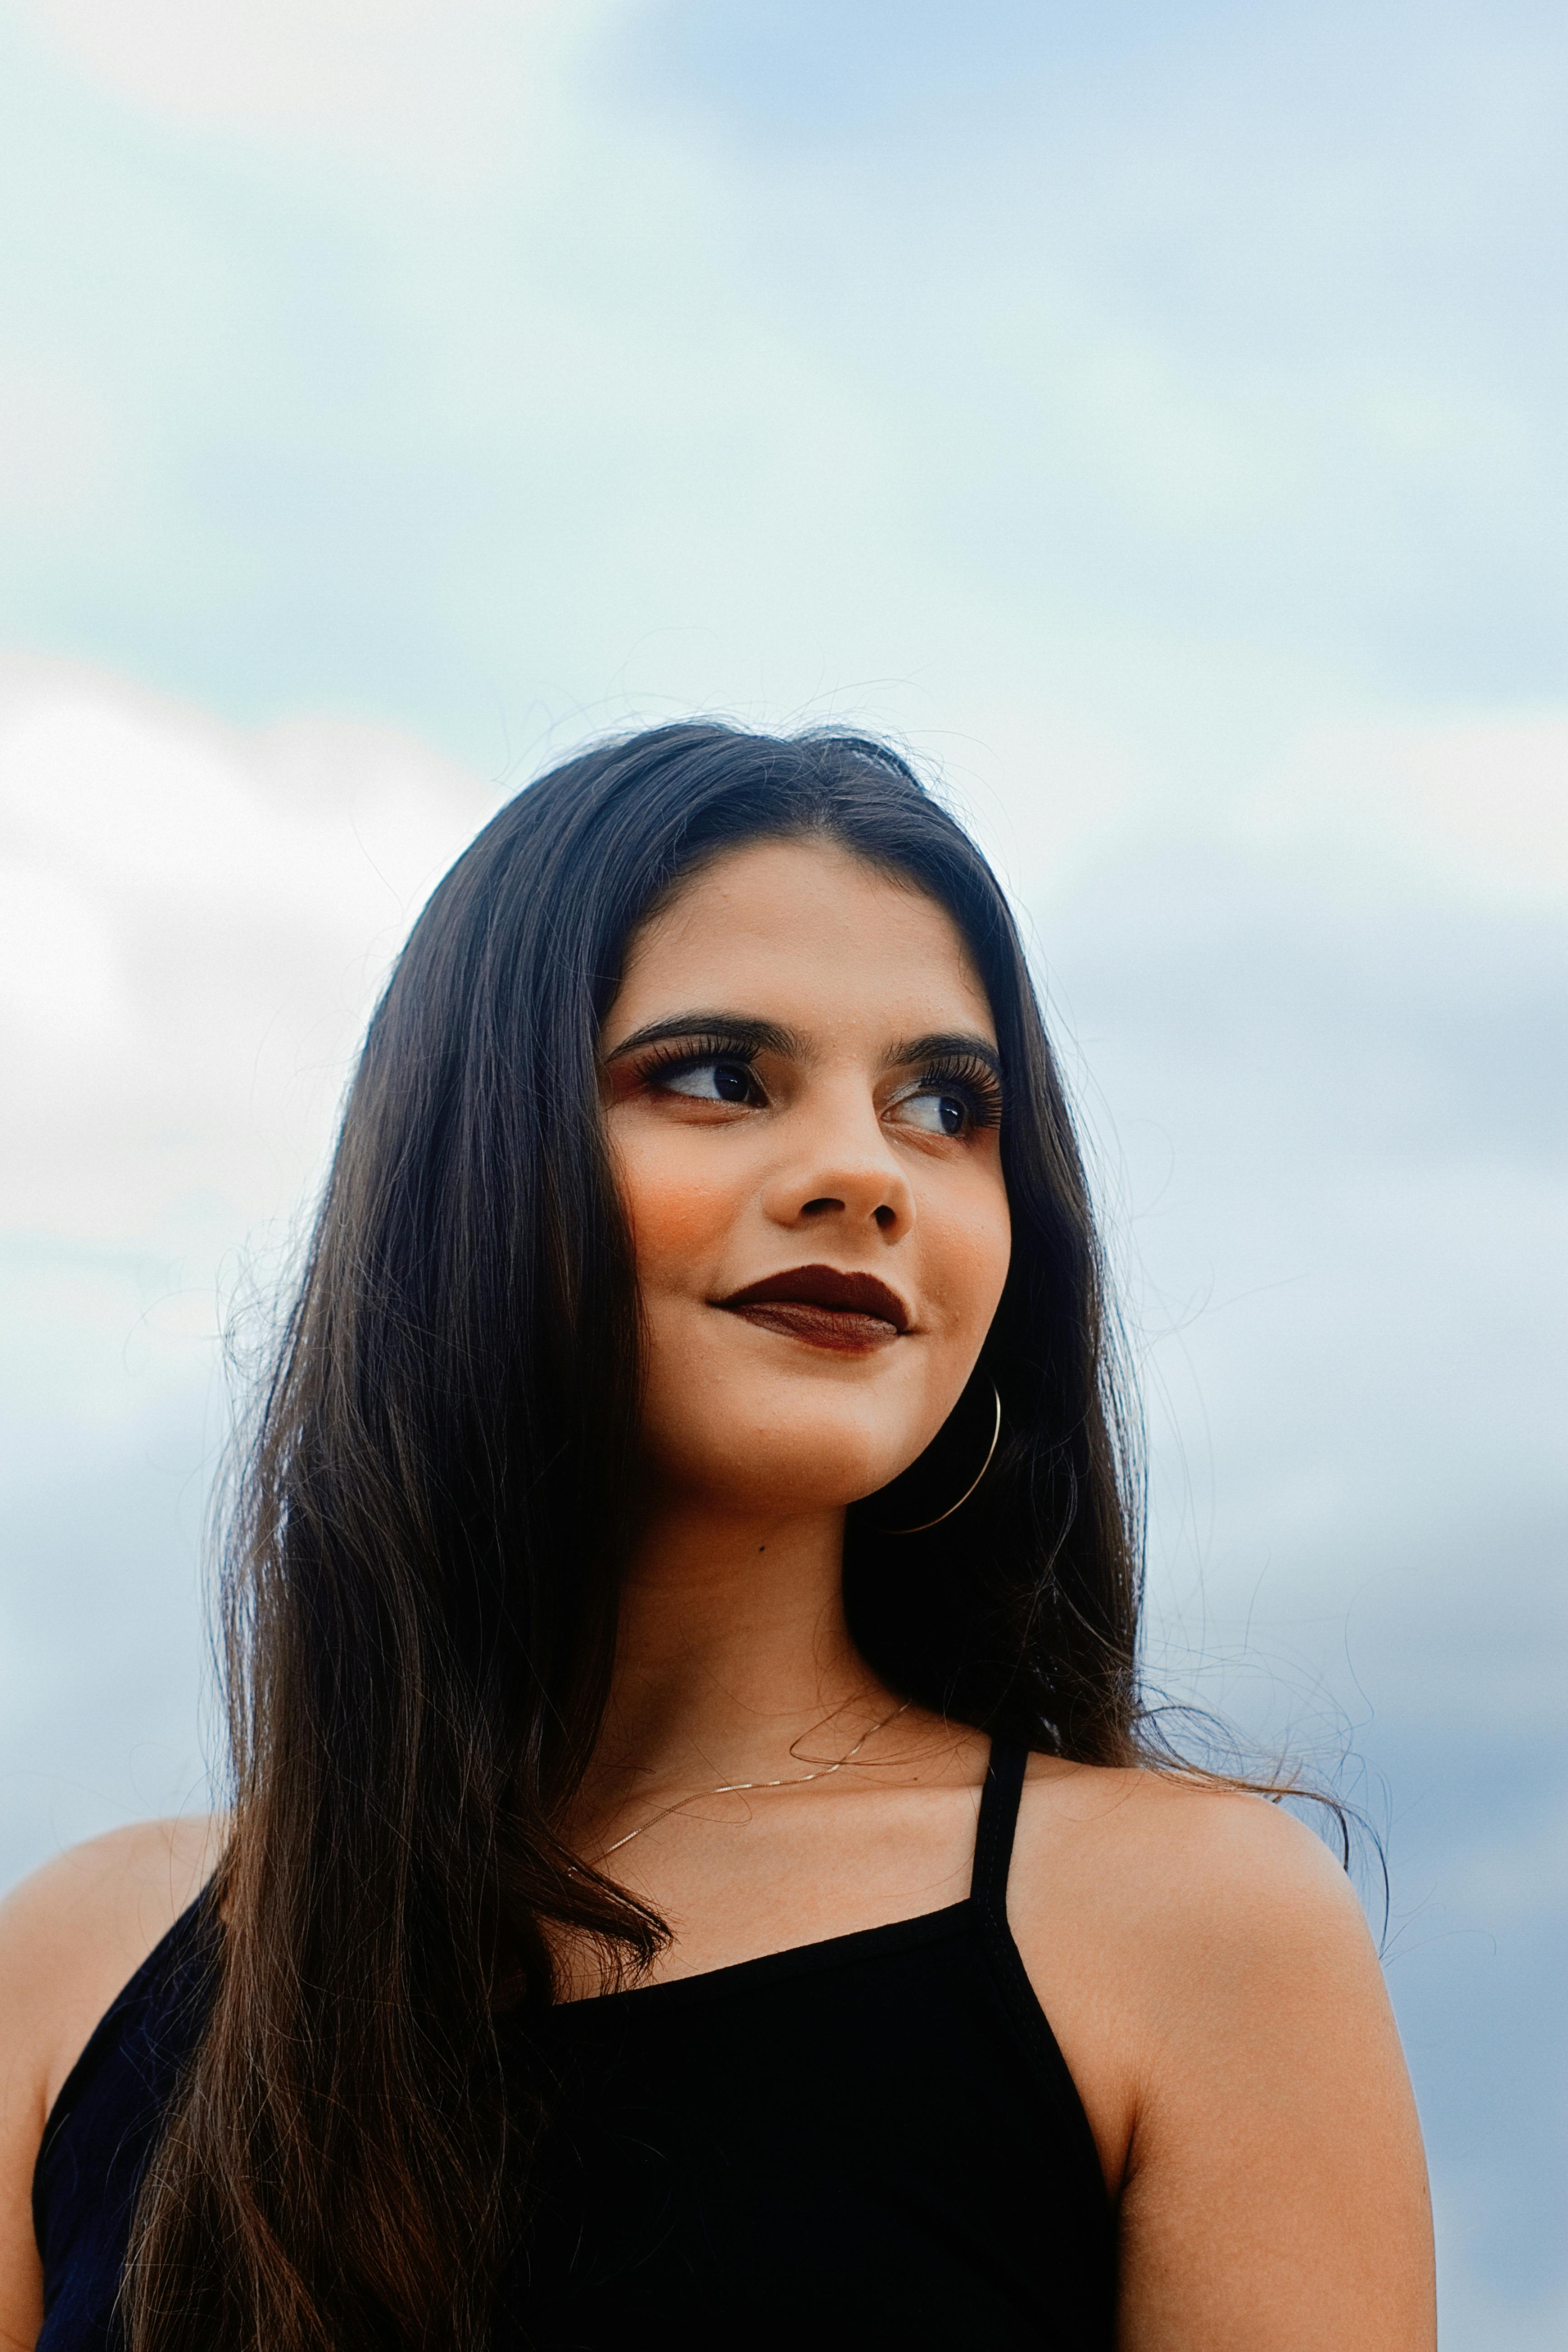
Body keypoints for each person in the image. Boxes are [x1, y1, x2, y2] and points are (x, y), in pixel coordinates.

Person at [0, 725, 1435, 2350]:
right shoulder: (74, 1969)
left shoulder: (1187, 1933)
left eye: (948, 1105)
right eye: (716, 1077)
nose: (860, 1173)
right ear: (474, 1154)